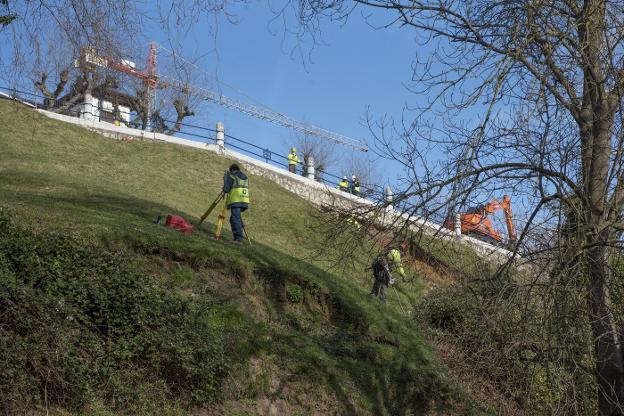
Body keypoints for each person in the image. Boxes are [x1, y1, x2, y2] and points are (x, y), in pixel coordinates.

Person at [222, 163, 249, 244]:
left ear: (232, 170)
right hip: (244, 201)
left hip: (236, 200)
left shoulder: (232, 176)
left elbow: (226, 189)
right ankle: (236, 237)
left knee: (235, 219)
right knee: (235, 218)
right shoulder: (245, 177)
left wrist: (226, 180)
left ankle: (239, 239)